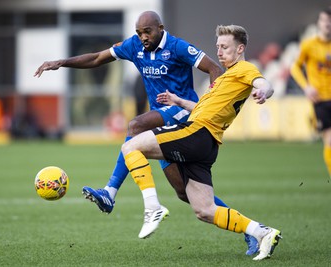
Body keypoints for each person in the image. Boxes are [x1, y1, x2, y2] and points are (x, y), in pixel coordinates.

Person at [34, 11, 258, 254]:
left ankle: (110, 192)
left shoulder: (178, 47)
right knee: (186, 194)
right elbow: (98, 58)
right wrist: (61, 63)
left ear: (160, 28)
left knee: (135, 126)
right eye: (139, 32)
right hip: (162, 122)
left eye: (147, 31)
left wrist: (209, 105)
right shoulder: (134, 45)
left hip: (182, 113)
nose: (142, 37)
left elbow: (214, 68)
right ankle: (251, 231)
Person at [121, 24, 282, 261]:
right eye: (217, 46)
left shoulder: (244, 69)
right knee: (204, 210)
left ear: (240, 49)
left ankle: (152, 206)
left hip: (197, 133)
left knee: (131, 145)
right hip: (207, 144)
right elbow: (203, 109)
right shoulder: (226, 78)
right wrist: (179, 101)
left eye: (225, 47)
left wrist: (264, 92)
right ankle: (262, 232)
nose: (219, 51)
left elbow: (263, 83)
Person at [290, 7, 331, 179]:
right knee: (329, 139)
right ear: (319, 23)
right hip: (320, 100)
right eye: (324, 20)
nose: (327, 24)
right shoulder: (309, 45)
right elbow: (295, 67)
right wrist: (306, 87)